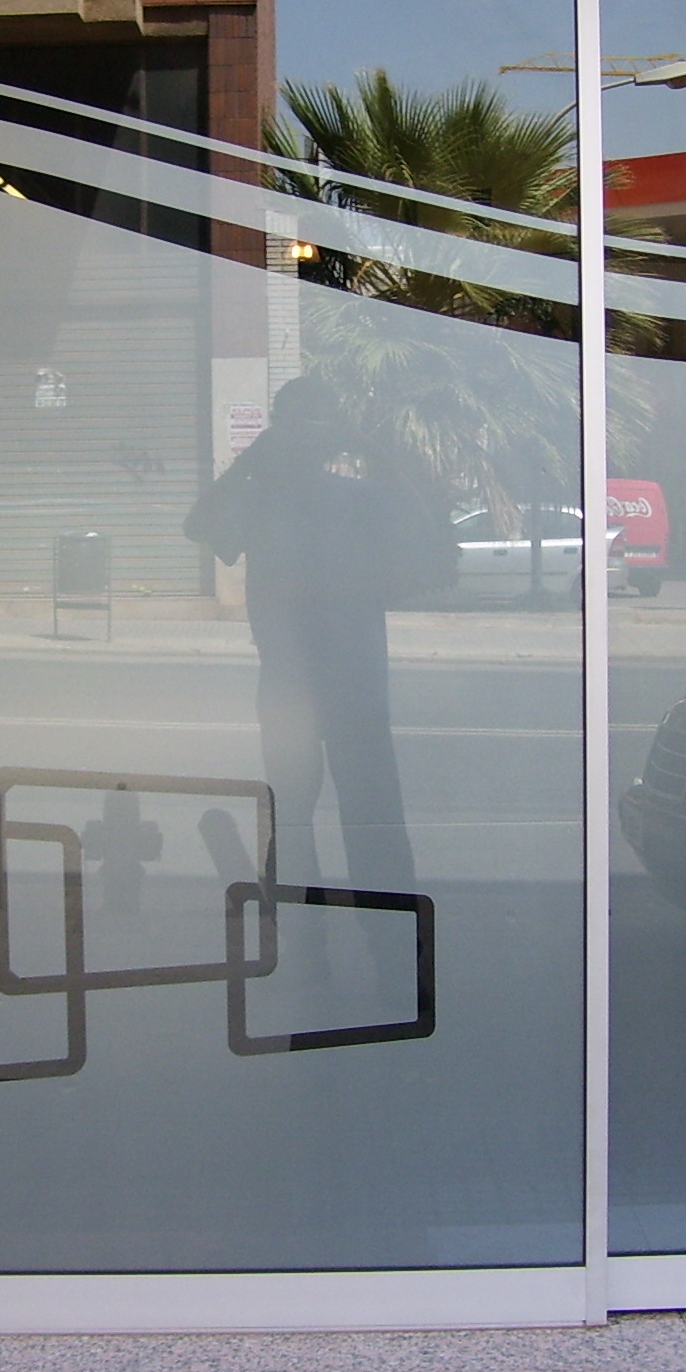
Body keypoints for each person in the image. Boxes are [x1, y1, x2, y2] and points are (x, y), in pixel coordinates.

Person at [184, 378, 451, 960]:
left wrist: (255, 459)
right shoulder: (348, 498)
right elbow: (428, 535)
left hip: (296, 690)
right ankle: (386, 952)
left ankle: (316, 949)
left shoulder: (272, 502)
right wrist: (367, 447)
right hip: (348, 690)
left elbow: (199, 524)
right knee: (368, 822)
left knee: (296, 823)